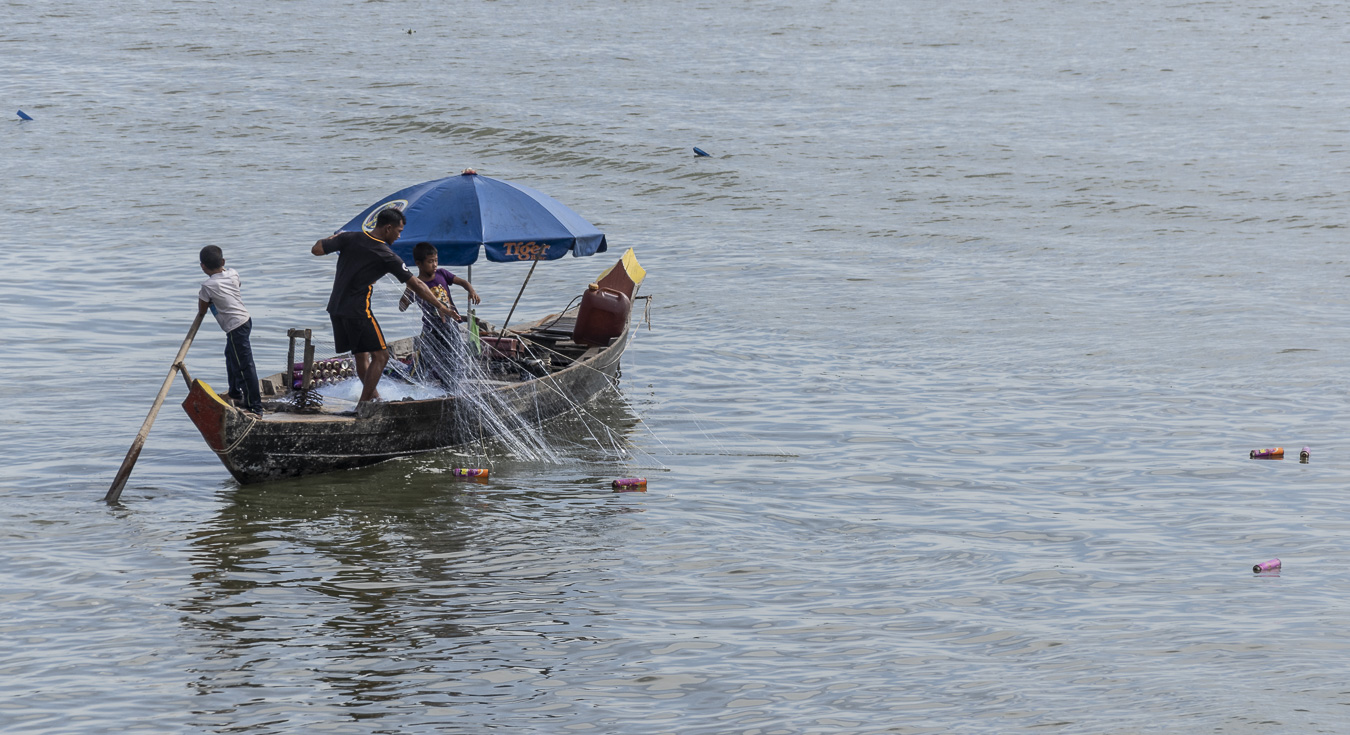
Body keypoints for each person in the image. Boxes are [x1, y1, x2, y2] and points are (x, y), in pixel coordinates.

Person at [311, 207, 458, 404]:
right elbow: (417, 284)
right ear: (388, 228)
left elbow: (317, 249)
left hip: (336, 309)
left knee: (361, 355)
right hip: (358, 311)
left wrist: (335, 237)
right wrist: (441, 306)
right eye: (399, 232)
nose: (398, 237)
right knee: (381, 356)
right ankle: (364, 405)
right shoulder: (385, 254)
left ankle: (374, 397)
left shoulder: (349, 238)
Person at [398, 241, 482, 386]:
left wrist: (471, 291)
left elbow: (463, 282)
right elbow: (402, 307)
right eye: (430, 262)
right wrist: (408, 288)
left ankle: (450, 386)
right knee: (423, 361)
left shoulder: (442, 274)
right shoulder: (416, 285)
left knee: (454, 357)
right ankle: (411, 385)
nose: (435, 265)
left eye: (436, 261)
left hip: (450, 326)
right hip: (431, 330)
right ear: (419, 263)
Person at [197, 245, 262, 415]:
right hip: (246, 320)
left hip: (235, 327)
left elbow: (202, 309)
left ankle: (254, 407)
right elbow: (236, 286)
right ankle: (234, 392)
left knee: (244, 366)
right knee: (231, 356)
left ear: (202, 266)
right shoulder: (233, 273)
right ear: (223, 262)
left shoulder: (207, 286)